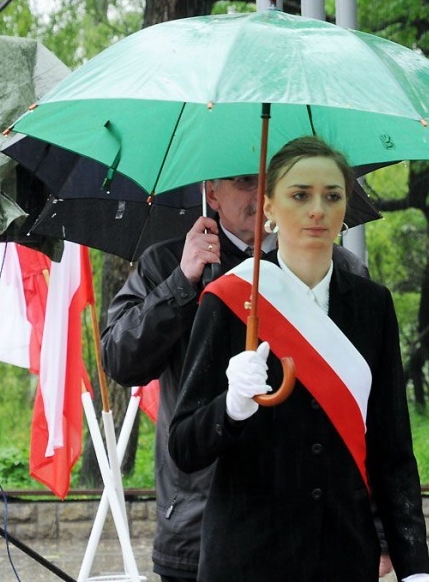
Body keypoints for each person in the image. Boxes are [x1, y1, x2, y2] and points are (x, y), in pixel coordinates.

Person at [167, 136, 429, 581]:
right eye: (300, 194)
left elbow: (392, 449)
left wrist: (416, 569)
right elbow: (184, 447)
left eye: (333, 196)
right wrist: (230, 408)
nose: (318, 209)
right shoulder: (230, 300)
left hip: (342, 555)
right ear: (268, 206)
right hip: (248, 556)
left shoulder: (372, 306)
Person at [101, 172, 372, 581]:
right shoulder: (167, 263)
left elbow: (371, 408)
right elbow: (121, 362)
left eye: (273, 182)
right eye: (245, 182)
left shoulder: (336, 269)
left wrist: (380, 529)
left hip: (311, 525)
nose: (260, 195)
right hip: (199, 520)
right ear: (210, 191)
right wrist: (182, 282)